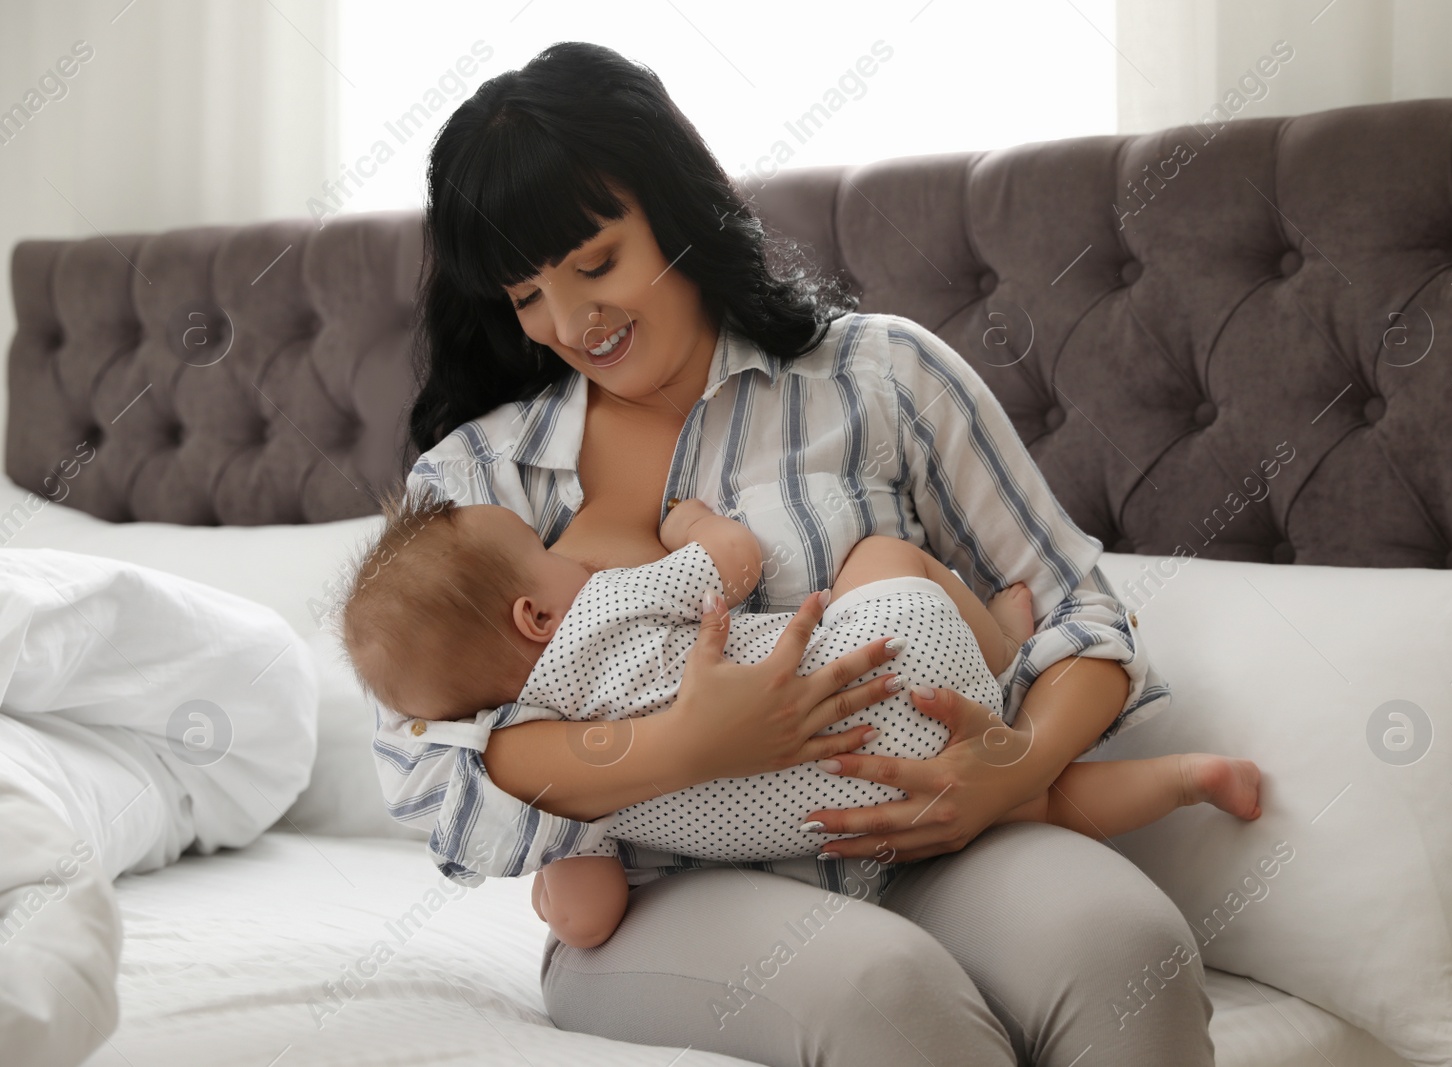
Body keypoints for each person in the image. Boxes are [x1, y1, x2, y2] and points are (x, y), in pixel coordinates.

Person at [378, 39, 1218, 1066]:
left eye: (596, 264)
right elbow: (429, 765)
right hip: (662, 891)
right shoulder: (472, 488)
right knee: (883, 990)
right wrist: (681, 749)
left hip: (931, 823)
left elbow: (1080, 612)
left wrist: (1017, 768)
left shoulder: (881, 374)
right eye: (526, 297)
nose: (571, 321)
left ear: (674, 205)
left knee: (1128, 950)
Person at [347, 492, 1261, 949]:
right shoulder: (604, 607)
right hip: (888, 653)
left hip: (866, 819)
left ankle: (1190, 780)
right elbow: (734, 563)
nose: (564, 555)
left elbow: (588, 918)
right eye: (542, 556)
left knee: (1046, 803)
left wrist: (551, 889)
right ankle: (1003, 654)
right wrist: (693, 521)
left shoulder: (556, 790)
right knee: (887, 555)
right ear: (534, 618)